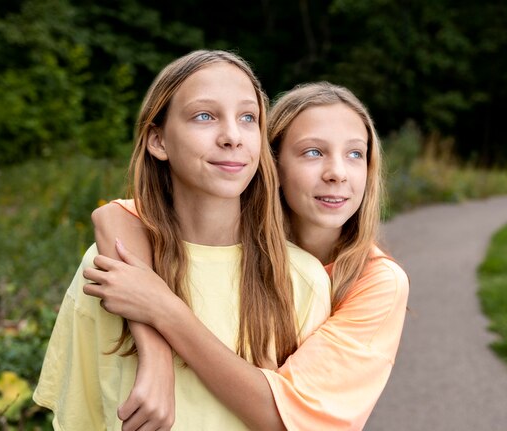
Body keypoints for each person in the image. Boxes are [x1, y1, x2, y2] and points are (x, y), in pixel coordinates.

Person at [32, 50, 331, 431]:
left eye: (248, 118)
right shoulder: (108, 269)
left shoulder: (300, 280)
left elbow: (301, 420)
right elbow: (83, 420)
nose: (232, 137)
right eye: (204, 116)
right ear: (158, 141)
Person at [87, 81, 410, 430]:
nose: (337, 173)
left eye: (355, 154)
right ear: (271, 162)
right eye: (313, 152)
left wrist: (163, 309)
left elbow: (283, 416)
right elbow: (115, 215)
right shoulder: (235, 232)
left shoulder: (379, 283)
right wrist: (156, 358)